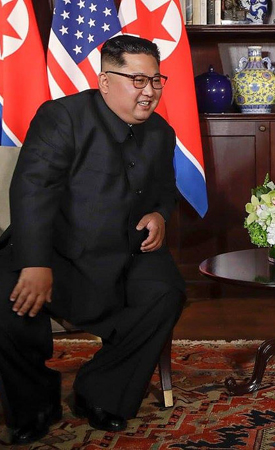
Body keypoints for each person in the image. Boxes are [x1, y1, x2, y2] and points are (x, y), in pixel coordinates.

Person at [0, 35, 186, 445]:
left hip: (126, 252)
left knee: (166, 292)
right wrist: (35, 263)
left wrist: (159, 214)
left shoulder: (161, 131)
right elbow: (32, 191)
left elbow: (165, 191)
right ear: (104, 81)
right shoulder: (61, 117)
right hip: (53, 250)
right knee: (6, 306)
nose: (149, 91)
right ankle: (34, 406)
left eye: (156, 80)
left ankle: (100, 391)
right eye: (138, 80)